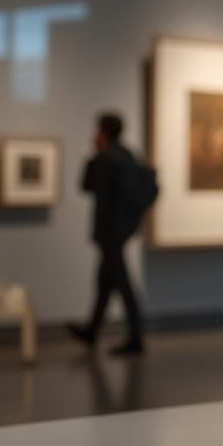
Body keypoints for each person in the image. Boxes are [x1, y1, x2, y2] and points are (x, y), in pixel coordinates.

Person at [67, 113, 147, 355]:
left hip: (110, 232)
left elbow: (87, 185)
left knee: (122, 283)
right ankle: (92, 330)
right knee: (105, 281)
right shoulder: (129, 156)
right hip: (121, 230)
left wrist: (92, 156)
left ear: (103, 132)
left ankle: (135, 337)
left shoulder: (105, 158)